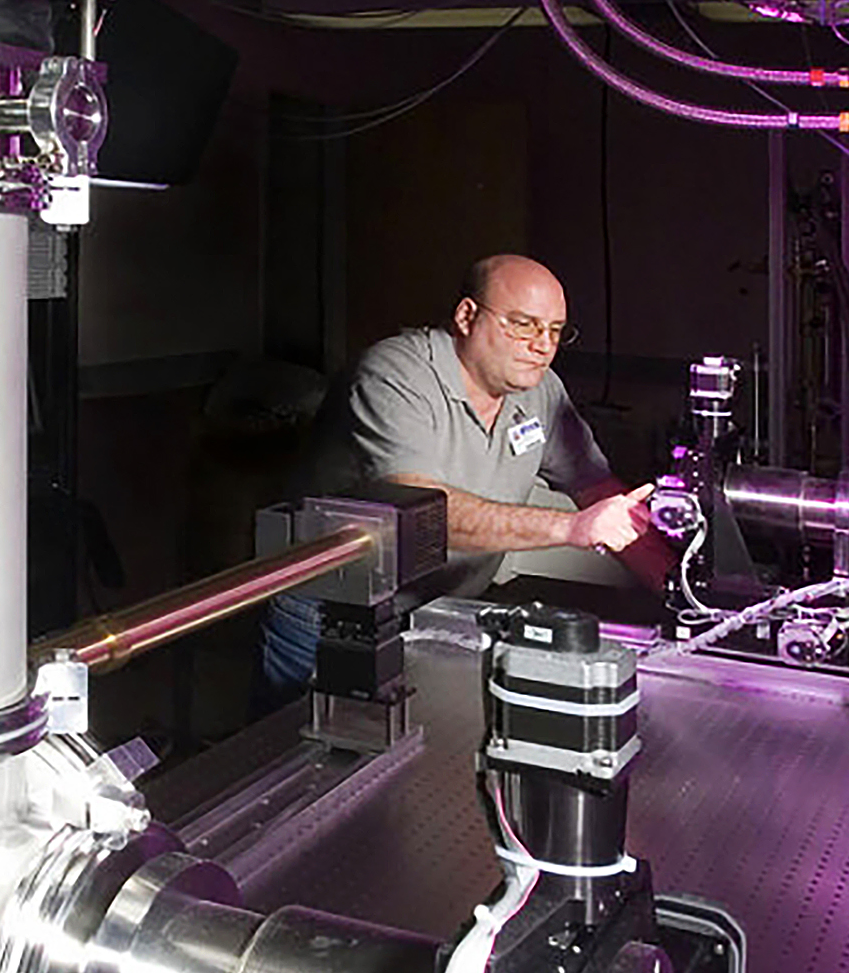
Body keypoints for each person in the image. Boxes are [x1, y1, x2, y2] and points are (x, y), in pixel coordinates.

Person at [258, 254, 677, 704]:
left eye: (555, 331)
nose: (542, 345)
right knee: (306, 761)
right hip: (330, 620)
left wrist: (679, 588)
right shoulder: (394, 375)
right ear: (466, 316)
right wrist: (571, 528)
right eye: (523, 324)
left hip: (435, 615)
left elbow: (599, 491)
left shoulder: (541, 390)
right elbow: (424, 514)